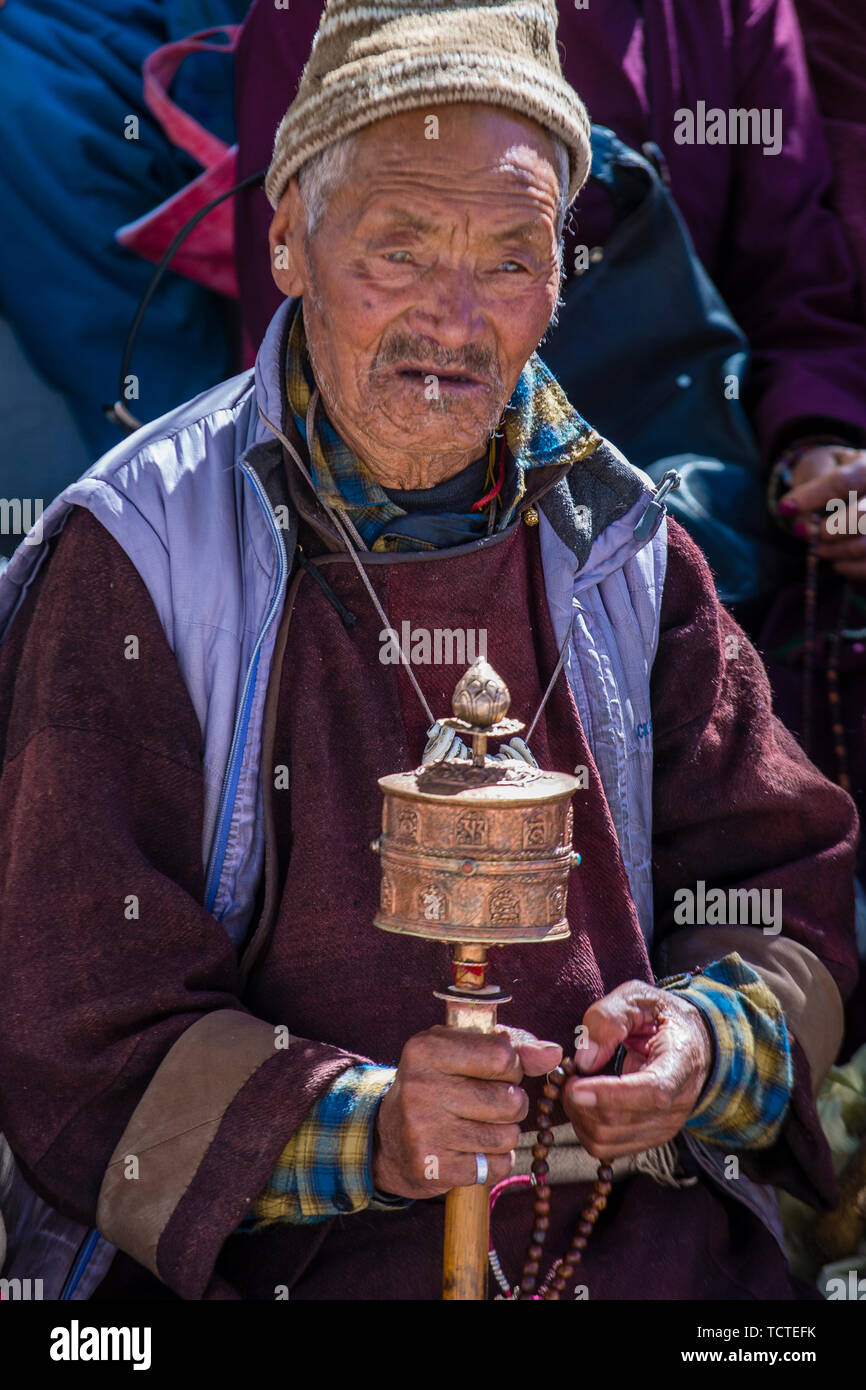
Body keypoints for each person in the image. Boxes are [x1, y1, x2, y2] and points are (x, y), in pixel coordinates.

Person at [0, 0, 858, 1301]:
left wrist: (701, 1041)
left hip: (622, 1258)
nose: (455, 323)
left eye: (510, 261)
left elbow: (783, 889)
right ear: (286, 236)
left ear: (564, 278)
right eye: (397, 252)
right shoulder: (137, 556)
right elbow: (75, 1022)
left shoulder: (624, 545)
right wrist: (375, 1128)